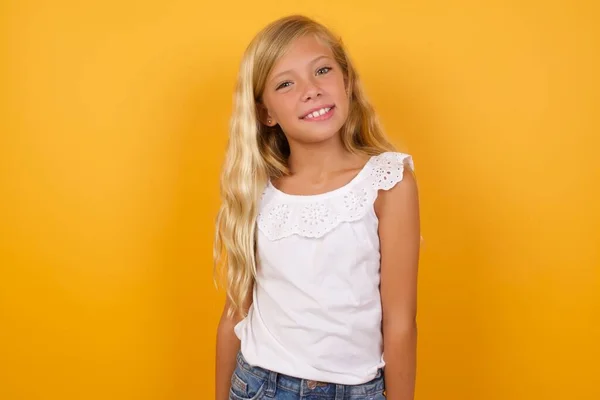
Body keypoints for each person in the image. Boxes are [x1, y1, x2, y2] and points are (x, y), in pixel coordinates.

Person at [214, 14, 421, 400]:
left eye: (322, 70)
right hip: (260, 385)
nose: (310, 90)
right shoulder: (258, 190)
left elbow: (400, 324)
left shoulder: (387, 183)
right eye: (286, 83)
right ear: (266, 113)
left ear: (346, 81)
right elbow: (235, 315)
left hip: (356, 390)